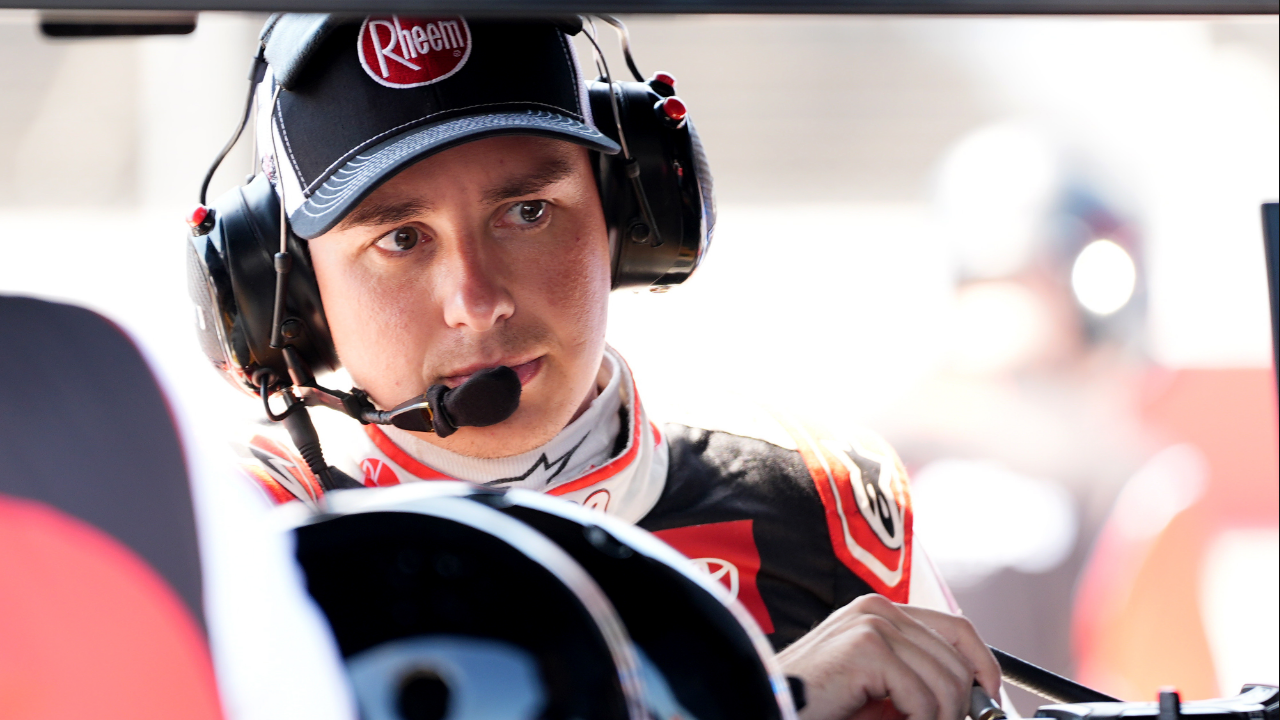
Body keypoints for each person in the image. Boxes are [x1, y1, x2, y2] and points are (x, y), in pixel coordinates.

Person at [207, 14, 1002, 720]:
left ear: (631, 216)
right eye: (402, 239)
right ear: (292, 299)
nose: (477, 302)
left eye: (528, 212)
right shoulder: (237, 542)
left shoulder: (824, 500)